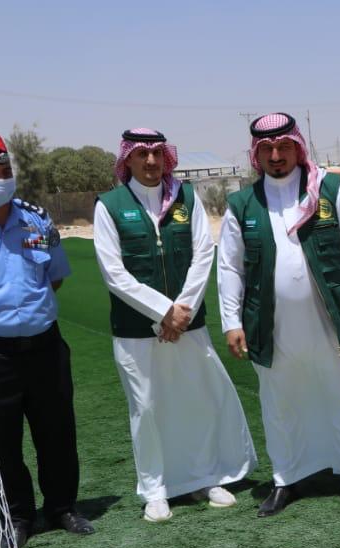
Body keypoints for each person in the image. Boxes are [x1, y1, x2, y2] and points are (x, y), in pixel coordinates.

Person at [216, 113, 340, 517]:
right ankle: (285, 479)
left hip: (329, 319)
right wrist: (231, 322)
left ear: (297, 147)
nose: (276, 156)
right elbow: (229, 267)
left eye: (283, 147)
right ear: (256, 153)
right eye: (267, 149)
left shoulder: (327, 190)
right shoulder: (243, 203)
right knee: (280, 405)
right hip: (271, 325)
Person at [93, 128, 257, 522]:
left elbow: (203, 254)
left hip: (188, 325)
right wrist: (163, 312)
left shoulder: (186, 197)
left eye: (156, 154)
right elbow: (114, 273)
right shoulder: (110, 205)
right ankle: (155, 489)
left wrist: (181, 311)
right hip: (136, 331)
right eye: (142, 154)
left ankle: (204, 477)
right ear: (128, 159)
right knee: (147, 408)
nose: (151, 161)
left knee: (196, 401)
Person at [0, 135, 94, 547]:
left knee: (57, 432)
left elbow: (55, 277)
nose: (1, 180)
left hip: (44, 346)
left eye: (6, 171)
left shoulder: (36, 219)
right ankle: (17, 515)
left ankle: (62, 507)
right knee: (1, 441)